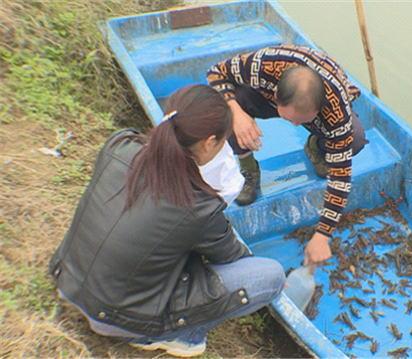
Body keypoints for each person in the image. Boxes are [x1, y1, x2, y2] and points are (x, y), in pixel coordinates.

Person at [48, 85, 285, 358]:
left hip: (67, 276)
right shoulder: (198, 205)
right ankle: (176, 336)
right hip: (116, 317)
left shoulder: (120, 143)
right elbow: (233, 257)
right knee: (269, 276)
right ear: (209, 143)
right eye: (222, 143)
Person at [207, 44, 368, 267]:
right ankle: (248, 168)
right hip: (265, 95)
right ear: (275, 95)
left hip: (328, 108)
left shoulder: (336, 112)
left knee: (356, 138)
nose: (293, 125)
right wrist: (236, 113)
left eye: (299, 121)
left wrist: (322, 235)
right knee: (226, 108)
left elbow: (340, 180)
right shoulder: (262, 66)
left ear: (319, 110)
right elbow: (215, 72)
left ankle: (316, 146)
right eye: (289, 119)